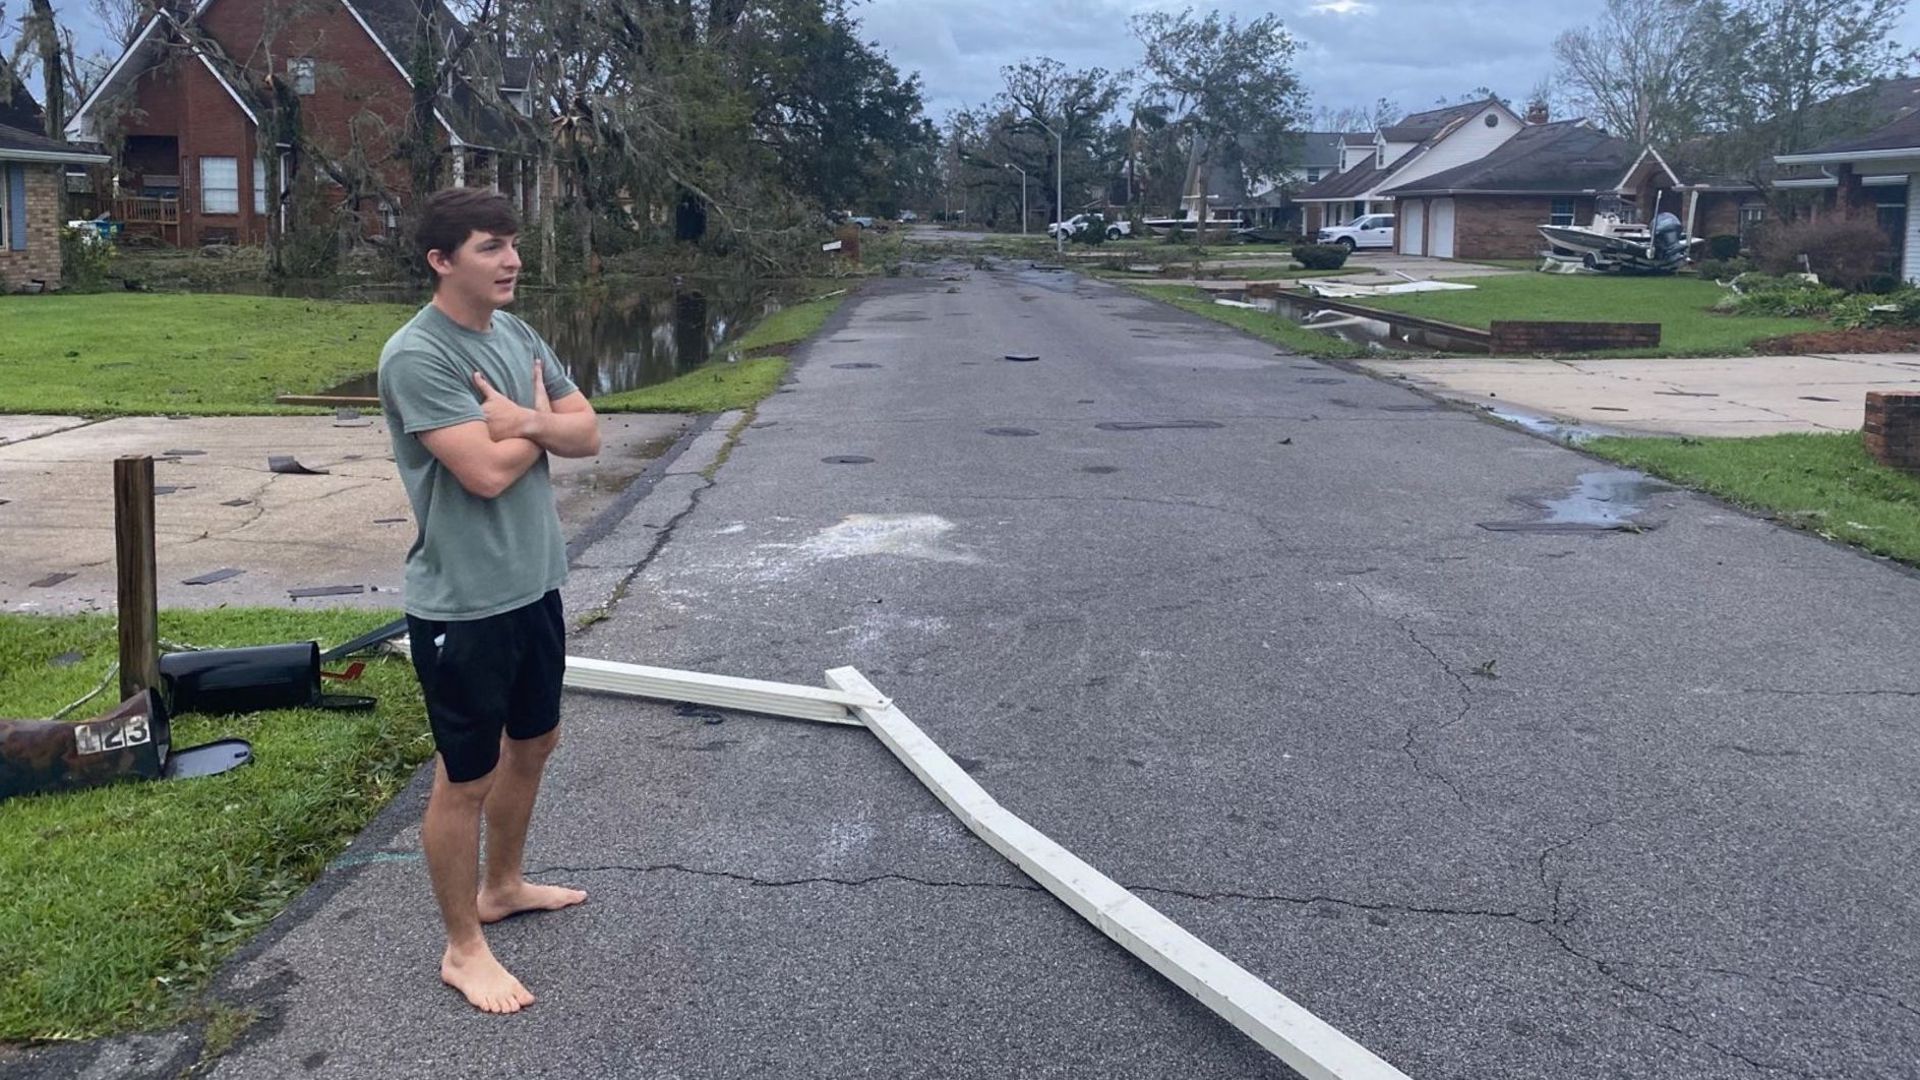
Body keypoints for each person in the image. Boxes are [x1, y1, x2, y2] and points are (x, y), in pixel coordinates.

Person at [378, 187, 602, 1014]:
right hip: (463, 603)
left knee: (535, 741)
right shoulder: (417, 355)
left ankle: (501, 886)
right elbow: (479, 473)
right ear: (441, 261)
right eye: (488, 247)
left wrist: (526, 421)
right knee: (463, 777)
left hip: (533, 582)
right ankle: (462, 948)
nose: (511, 260)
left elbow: (590, 434)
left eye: (512, 243)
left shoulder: (517, 332)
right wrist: (537, 424)